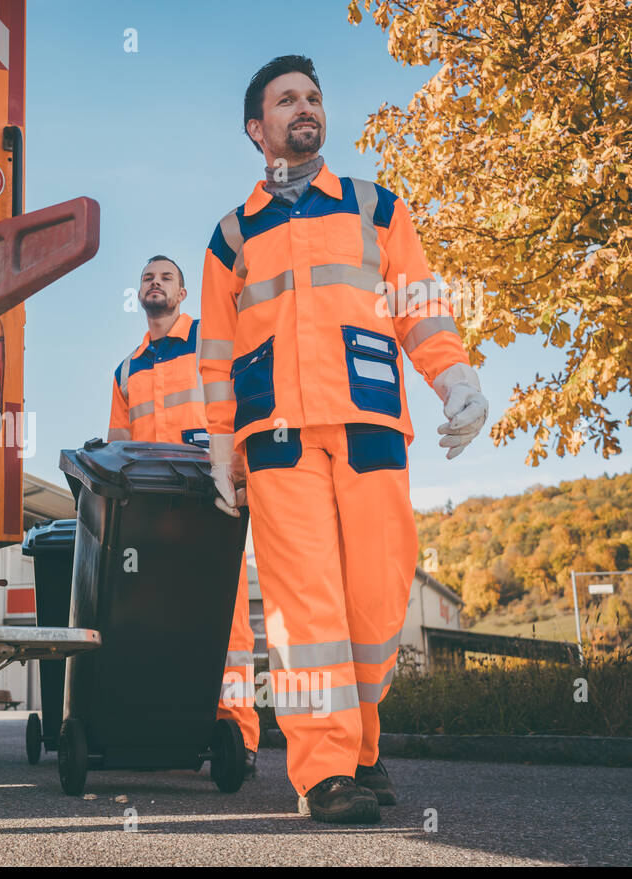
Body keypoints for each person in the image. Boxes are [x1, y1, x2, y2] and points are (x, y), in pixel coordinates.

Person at [197, 55, 488, 823]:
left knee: (378, 598)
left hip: (369, 429)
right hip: (279, 444)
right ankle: (324, 771)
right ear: (257, 129)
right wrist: (222, 448)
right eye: (287, 99)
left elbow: (420, 307)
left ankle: (362, 745)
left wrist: (455, 377)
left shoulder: (377, 208)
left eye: (314, 97)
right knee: (305, 608)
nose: (305, 107)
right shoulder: (231, 237)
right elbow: (216, 356)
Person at [108, 255, 260, 777]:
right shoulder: (127, 369)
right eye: (147, 277)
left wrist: (240, 474)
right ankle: (167, 728)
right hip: (152, 509)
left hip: (212, 495)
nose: (156, 283)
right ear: (139, 292)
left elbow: (243, 405)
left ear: (183, 291)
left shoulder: (211, 344)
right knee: (159, 618)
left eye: (165, 277)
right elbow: (117, 446)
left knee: (228, 619)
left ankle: (237, 732)